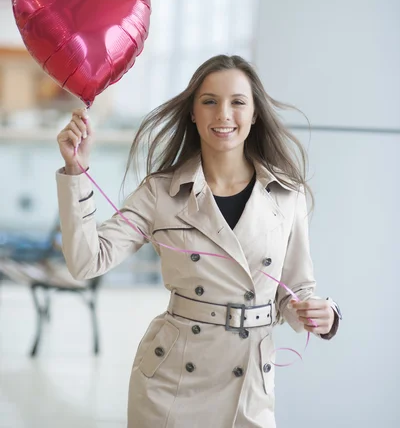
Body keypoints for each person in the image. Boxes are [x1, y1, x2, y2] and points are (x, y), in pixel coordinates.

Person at [56, 54, 341, 428]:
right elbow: (86, 261)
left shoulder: (288, 195)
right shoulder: (162, 192)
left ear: (255, 114)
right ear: (192, 112)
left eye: (238, 102)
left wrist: (321, 314)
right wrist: (76, 170)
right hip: (171, 385)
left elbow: (294, 291)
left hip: (249, 387)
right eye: (209, 101)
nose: (224, 114)